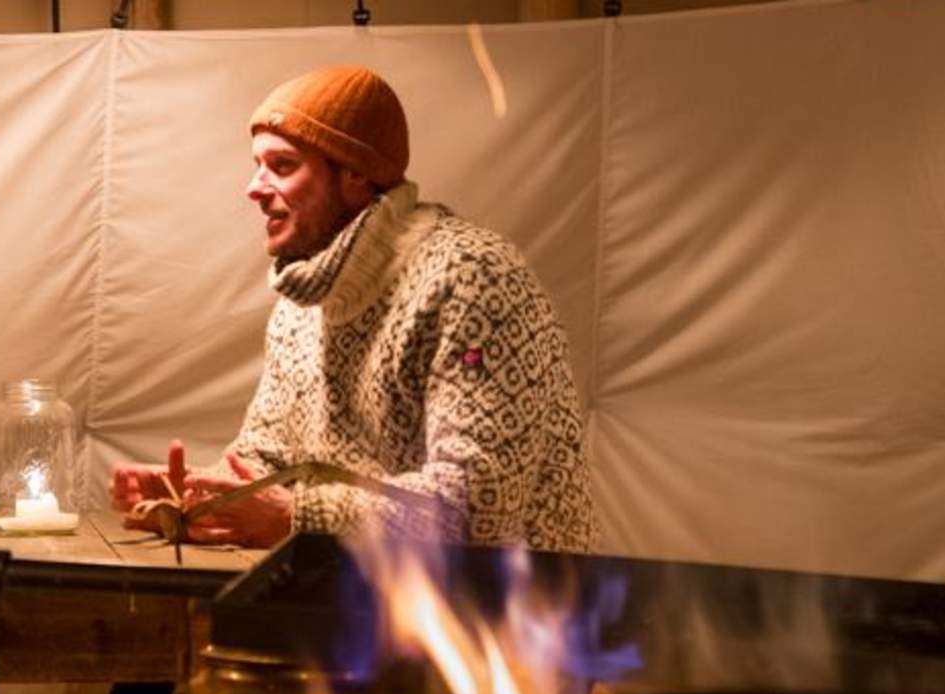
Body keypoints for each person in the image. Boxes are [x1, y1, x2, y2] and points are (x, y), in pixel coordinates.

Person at [112, 65, 596, 553]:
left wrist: (299, 516)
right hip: (357, 589)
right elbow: (266, 457)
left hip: (508, 596)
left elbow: (481, 506)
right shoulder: (303, 305)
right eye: (258, 164)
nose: (254, 188)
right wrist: (198, 499)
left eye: (282, 166)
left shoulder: (471, 277)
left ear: (356, 176)